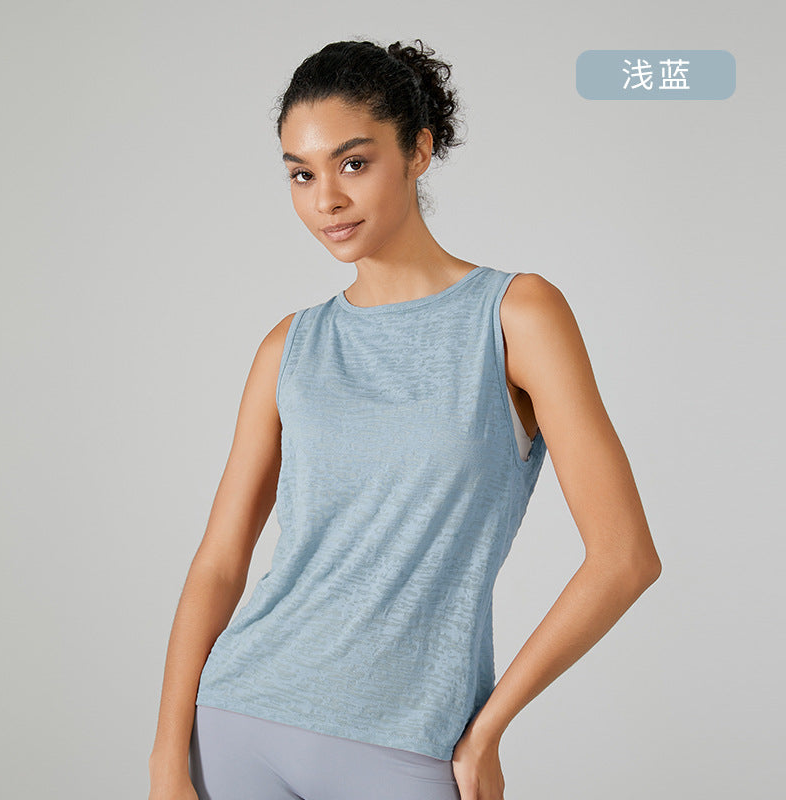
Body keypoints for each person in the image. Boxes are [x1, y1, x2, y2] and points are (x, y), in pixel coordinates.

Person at [148, 38, 662, 800]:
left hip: (408, 743)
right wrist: (165, 760)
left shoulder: (515, 315)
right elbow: (220, 563)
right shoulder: (289, 347)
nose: (326, 199)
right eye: (301, 174)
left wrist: (487, 728)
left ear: (418, 151)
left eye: (354, 163)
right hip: (238, 725)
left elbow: (625, 558)